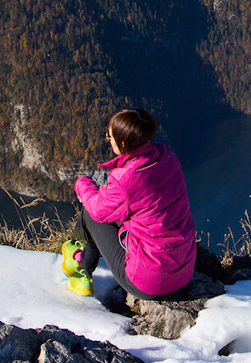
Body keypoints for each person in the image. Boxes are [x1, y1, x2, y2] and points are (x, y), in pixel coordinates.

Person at [61, 107, 195, 303]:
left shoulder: (126, 179)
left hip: (150, 283)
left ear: (122, 142)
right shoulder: (167, 157)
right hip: (184, 270)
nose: (109, 141)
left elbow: (98, 210)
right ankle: (83, 260)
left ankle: (81, 269)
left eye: (110, 137)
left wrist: (82, 184)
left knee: (90, 214)